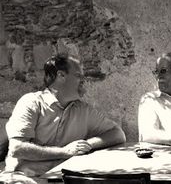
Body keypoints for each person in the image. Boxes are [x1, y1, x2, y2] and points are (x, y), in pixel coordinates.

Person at [0, 53, 126, 183]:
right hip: (25, 177)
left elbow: (118, 134)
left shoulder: (83, 109)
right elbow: (17, 148)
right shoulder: (31, 102)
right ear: (61, 76)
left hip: (61, 178)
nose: (84, 81)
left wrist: (87, 144)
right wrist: (65, 151)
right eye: (78, 76)